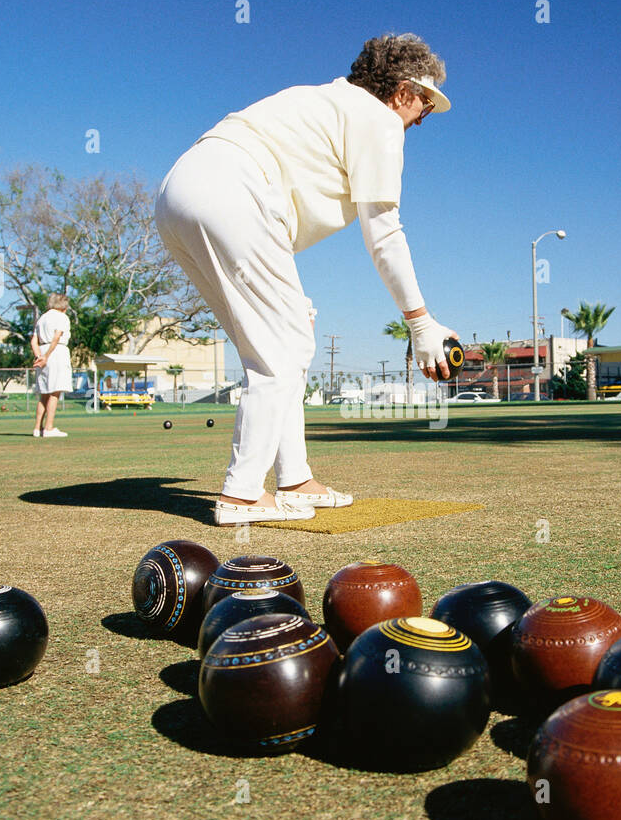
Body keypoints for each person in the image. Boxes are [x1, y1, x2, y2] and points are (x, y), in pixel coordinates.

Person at [155, 32, 459, 525]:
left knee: (287, 337)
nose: (422, 118)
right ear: (402, 92)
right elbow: (383, 232)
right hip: (232, 190)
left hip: (179, 194)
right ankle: (242, 494)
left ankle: (295, 479)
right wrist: (420, 322)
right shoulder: (380, 119)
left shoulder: (321, 99)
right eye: (423, 104)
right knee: (280, 350)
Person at [31, 293, 73, 438]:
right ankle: (48, 428)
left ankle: (37, 428)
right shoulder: (62, 317)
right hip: (56, 352)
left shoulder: (42, 318)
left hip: (42, 351)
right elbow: (56, 337)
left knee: (44, 392)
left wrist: (39, 357)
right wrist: (47, 356)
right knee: (55, 391)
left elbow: (33, 341)